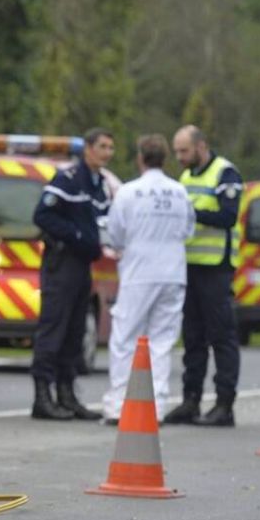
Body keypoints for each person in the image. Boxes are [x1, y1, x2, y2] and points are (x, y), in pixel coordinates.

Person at [101, 135, 196, 423]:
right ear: (165, 159)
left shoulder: (129, 193)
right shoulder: (180, 192)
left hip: (138, 273)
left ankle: (119, 405)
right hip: (173, 274)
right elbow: (188, 231)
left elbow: (115, 234)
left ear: (140, 158)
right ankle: (155, 407)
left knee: (125, 339)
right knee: (161, 341)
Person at [29, 128, 115, 421]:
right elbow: (43, 215)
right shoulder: (68, 179)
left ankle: (67, 394)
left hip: (83, 266)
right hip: (62, 263)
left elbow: (104, 219)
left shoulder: (100, 184)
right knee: (53, 328)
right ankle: (43, 396)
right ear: (88, 149)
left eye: (110, 147)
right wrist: (75, 235)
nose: (107, 153)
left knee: (75, 332)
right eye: (103, 146)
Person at [164, 125, 244, 427]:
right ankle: (190, 400)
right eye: (177, 151)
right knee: (193, 338)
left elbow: (228, 215)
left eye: (184, 151)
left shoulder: (226, 174)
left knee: (222, 336)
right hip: (190, 267)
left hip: (216, 268)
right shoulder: (186, 177)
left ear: (201, 146)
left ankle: (224, 405)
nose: (180, 157)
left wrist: (190, 214)